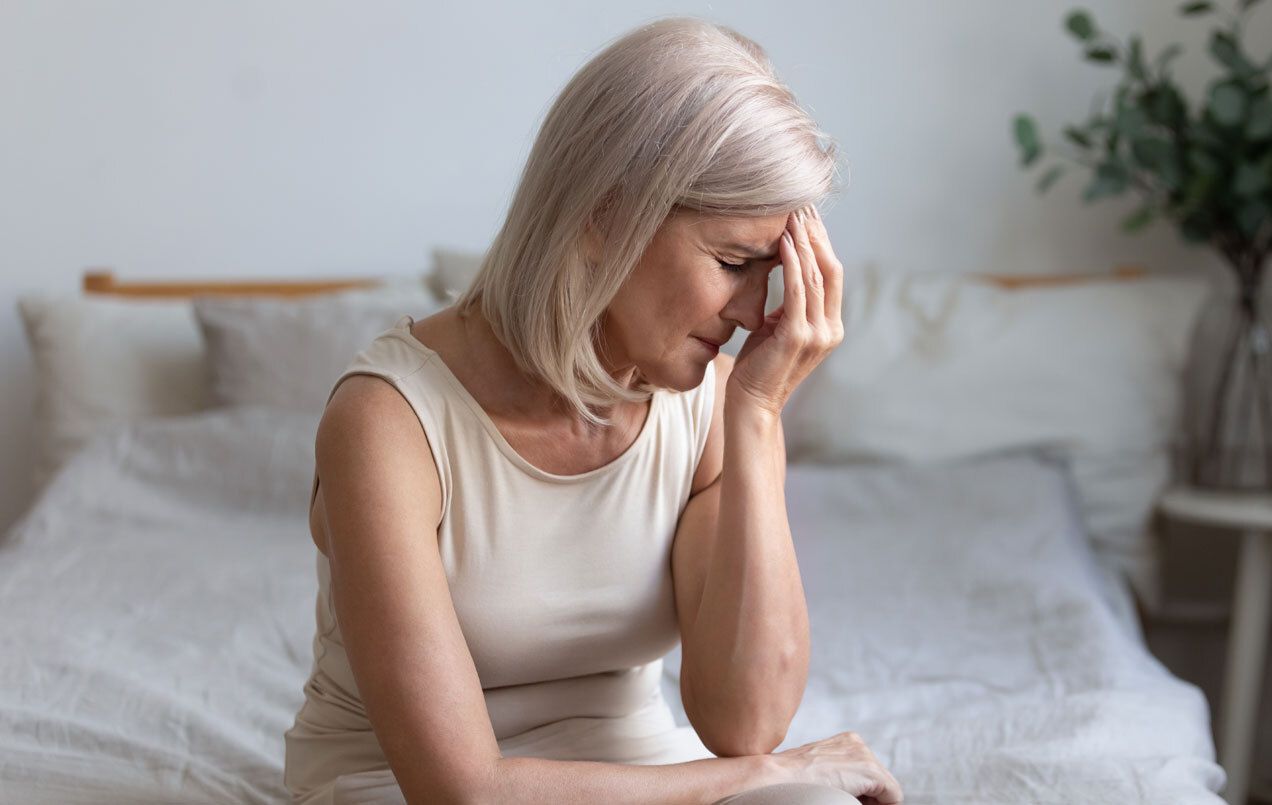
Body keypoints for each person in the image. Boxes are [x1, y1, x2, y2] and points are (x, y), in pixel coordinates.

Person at [282, 15, 902, 805]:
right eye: (733, 263)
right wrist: (770, 774)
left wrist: (756, 419)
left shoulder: (708, 403)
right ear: (605, 216)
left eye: (769, 270)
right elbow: (462, 789)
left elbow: (745, 725)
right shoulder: (388, 421)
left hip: (636, 773)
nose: (755, 312)